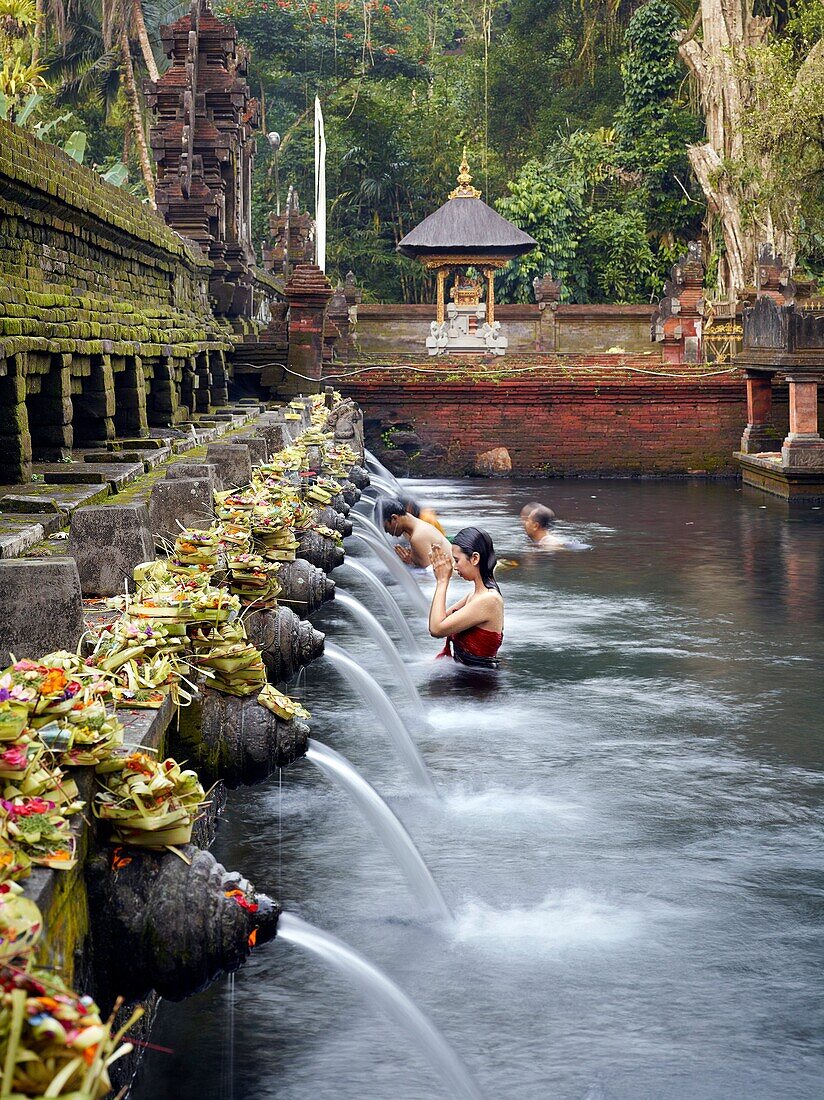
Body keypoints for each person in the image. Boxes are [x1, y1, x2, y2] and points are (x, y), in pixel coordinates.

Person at [429, 527, 504, 669]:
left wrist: (442, 581)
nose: (454, 567)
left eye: (457, 560)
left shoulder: (489, 600)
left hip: (478, 686)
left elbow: (436, 629)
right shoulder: (474, 596)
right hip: (467, 679)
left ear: (475, 558)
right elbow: (440, 620)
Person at [380, 495, 452, 569]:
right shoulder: (418, 525)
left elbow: (432, 575)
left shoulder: (418, 537)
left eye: (386, 527)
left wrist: (410, 562)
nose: (386, 531)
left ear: (394, 518)